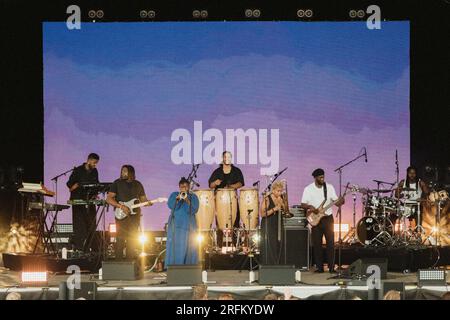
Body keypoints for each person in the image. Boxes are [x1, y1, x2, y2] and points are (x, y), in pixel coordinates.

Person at [301, 168, 344, 273]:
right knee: (317, 244)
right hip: (315, 219)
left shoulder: (329, 187)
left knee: (330, 243)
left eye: (323, 177)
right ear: (315, 178)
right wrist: (311, 207)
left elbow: (336, 202)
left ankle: (331, 267)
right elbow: (303, 204)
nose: (322, 179)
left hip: (328, 218)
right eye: (320, 177)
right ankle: (319, 267)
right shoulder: (308, 189)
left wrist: (341, 201)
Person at [106, 165, 151, 260]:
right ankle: (119, 262)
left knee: (133, 240)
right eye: (122, 171)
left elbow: (143, 199)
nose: (123, 173)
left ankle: (130, 262)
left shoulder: (138, 184)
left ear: (131, 173)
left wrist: (148, 203)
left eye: (125, 171)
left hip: (135, 215)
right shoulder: (117, 183)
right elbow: (109, 199)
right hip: (121, 215)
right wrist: (121, 206)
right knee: (120, 239)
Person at [208, 151, 245, 246]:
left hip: (232, 198)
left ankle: (237, 245)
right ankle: (220, 246)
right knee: (220, 223)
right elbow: (210, 185)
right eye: (225, 157)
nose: (227, 159)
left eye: (229, 157)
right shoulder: (217, 172)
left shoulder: (236, 170)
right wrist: (215, 183)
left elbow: (241, 183)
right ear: (223, 158)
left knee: (235, 222)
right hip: (220, 201)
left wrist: (231, 187)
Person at [66, 153, 100, 251]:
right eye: (94, 162)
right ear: (89, 160)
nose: (95, 165)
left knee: (91, 224)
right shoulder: (78, 170)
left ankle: (91, 248)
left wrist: (95, 193)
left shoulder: (94, 171)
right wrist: (75, 185)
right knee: (79, 225)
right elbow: (69, 184)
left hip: (90, 200)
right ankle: (79, 248)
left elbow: (96, 184)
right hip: (78, 200)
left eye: (96, 163)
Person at [166, 177, 200, 266]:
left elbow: (194, 210)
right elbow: (171, 206)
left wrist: (187, 200)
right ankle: (174, 267)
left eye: (185, 186)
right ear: (179, 187)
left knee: (190, 248)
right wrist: (178, 198)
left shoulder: (193, 197)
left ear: (188, 187)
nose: (183, 188)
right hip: (176, 227)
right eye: (181, 187)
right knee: (175, 248)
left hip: (188, 226)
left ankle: (189, 268)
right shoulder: (174, 195)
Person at [260, 181, 288, 265]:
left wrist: (284, 204)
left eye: (281, 191)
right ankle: (269, 264)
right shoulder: (267, 198)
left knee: (278, 243)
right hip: (268, 222)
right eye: (278, 191)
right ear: (273, 190)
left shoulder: (281, 197)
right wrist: (274, 209)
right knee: (270, 244)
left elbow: (286, 210)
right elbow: (262, 214)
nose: (279, 193)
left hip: (278, 222)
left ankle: (278, 264)